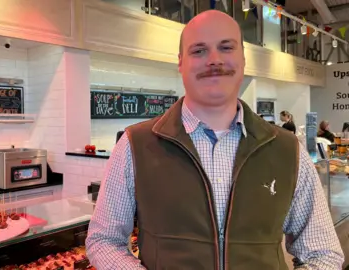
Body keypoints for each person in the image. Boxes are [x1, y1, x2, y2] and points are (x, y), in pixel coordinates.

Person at [85, 10, 343, 269]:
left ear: (242, 58)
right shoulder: (134, 145)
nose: (214, 60)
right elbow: (104, 240)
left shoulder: (288, 150)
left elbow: (323, 253)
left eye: (226, 47)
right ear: (180, 62)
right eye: (199, 50)